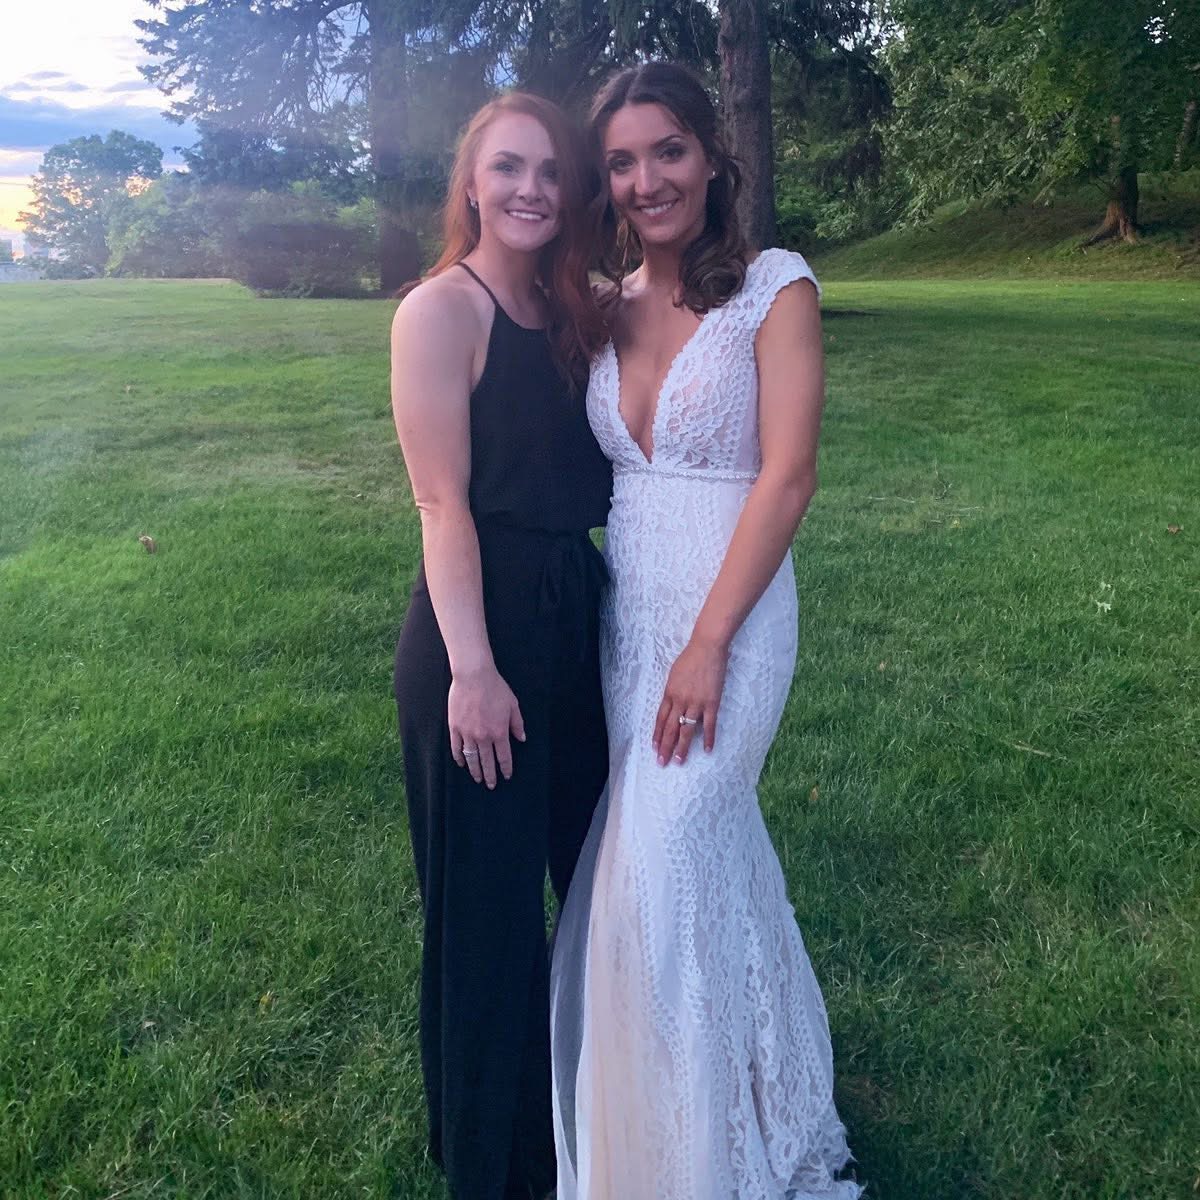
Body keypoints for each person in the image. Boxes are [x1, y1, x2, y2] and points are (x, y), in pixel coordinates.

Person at [550, 63, 863, 1199]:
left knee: (670, 856)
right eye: (623, 162)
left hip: (731, 621)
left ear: (713, 155)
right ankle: (762, 1097)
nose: (648, 181)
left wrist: (710, 642)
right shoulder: (603, 304)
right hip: (630, 621)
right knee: (702, 859)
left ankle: (697, 1158)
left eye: (668, 150)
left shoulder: (776, 288)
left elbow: (788, 477)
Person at [390, 92, 612, 1200]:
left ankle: (593, 1121)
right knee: (487, 915)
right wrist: (474, 672)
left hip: (579, 615)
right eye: (509, 168)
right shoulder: (444, 310)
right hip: (481, 631)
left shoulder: (575, 307)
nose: (532, 188)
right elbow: (442, 505)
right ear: (471, 185)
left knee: (597, 883)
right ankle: (496, 1167)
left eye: (552, 171)